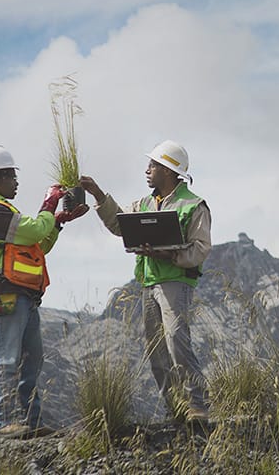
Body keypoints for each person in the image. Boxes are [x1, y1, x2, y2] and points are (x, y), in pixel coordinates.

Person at [80, 140, 211, 422]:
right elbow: (118, 224)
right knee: (156, 347)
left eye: (152, 165)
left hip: (176, 281)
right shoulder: (144, 204)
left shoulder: (193, 205)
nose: (147, 170)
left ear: (168, 170)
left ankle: (197, 403)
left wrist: (168, 255)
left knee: (177, 339)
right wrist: (98, 194)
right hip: (149, 283)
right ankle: (175, 407)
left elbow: (200, 249)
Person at [0, 144, 88, 438]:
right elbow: (35, 231)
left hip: (25, 297)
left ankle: (29, 423)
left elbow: (39, 246)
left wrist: (57, 223)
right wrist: (49, 205)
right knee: (6, 359)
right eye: (11, 175)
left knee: (31, 361)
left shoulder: (6, 212)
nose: (16, 181)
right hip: (4, 295)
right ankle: (3, 422)